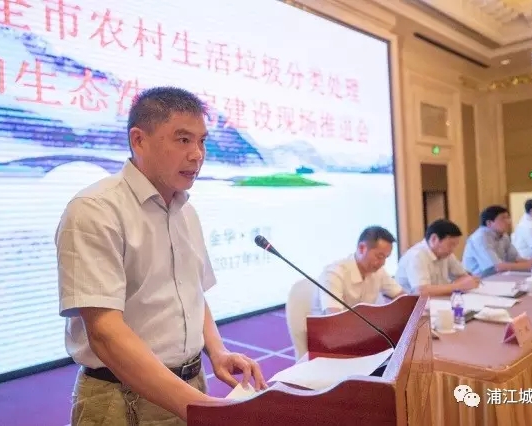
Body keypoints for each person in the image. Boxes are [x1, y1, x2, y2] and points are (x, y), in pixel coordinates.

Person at [55, 87, 267, 425]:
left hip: (191, 384)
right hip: (122, 400)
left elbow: (192, 294)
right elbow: (105, 332)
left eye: (202, 141)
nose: (197, 154)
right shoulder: (95, 210)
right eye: (183, 140)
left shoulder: (186, 211)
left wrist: (217, 351)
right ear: (139, 140)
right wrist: (198, 407)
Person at [312, 226, 404, 314]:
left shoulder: (379, 272)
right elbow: (333, 317)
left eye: (386, 257)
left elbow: (402, 298)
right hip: (331, 325)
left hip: (360, 325)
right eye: (379, 256)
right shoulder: (334, 273)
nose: (383, 263)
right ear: (361, 248)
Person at [396, 219, 479, 297]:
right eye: (451, 244)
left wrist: (463, 283)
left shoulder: (447, 254)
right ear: (434, 239)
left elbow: (463, 277)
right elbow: (422, 291)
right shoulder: (416, 256)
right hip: (414, 305)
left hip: (439, 301)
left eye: (455, 245)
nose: (453, 249)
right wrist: (457, 286)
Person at [462, 205, 532, 277]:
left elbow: (515, 259)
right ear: (489, 223)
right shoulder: (480, 238)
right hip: (480, 280)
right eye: (503, 218)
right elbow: (497, 267)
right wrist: (530, 265)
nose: (509, 222)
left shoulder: (504, 236)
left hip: (498, 277)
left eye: (508, 218)